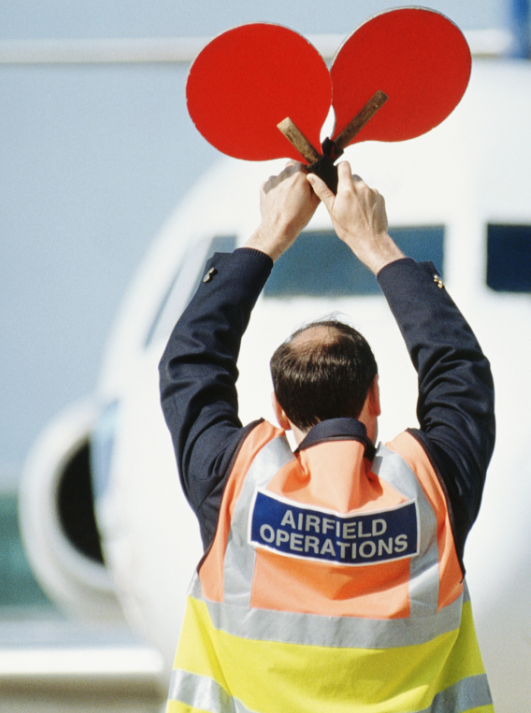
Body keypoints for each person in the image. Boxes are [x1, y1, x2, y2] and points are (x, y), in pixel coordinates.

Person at [159, 160, 496, 713]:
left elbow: (189, 363)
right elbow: (461, 372)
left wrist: (271, 235)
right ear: (377, 397)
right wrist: (376, 243)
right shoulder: (428, 490)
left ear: (280, 411)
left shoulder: (238, 490)